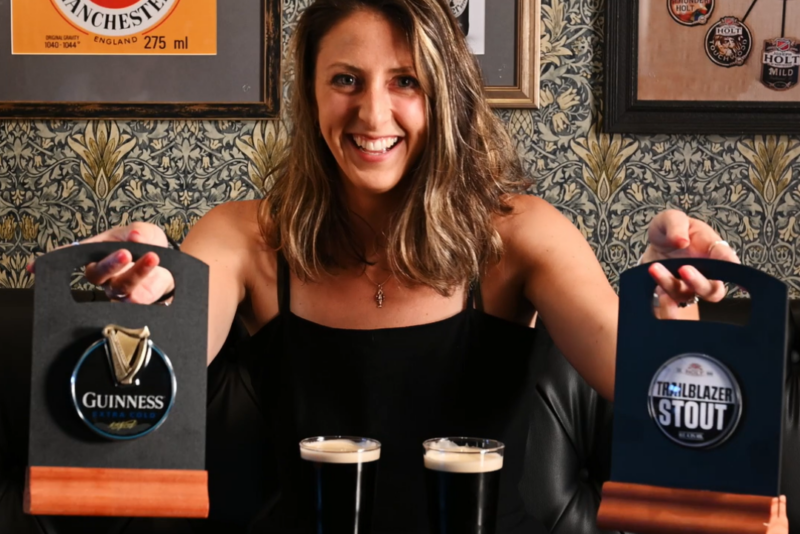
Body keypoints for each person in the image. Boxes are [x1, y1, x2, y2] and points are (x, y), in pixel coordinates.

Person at [31, 0, 786, 532]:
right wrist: (128, 304)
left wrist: (673, 305)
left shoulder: (520, 233)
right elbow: (157, 368)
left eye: (406, 82)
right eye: (346, 79)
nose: (372, 115)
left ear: (446, 96)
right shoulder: (242, 238)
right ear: (312, 92)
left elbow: (642, 381)